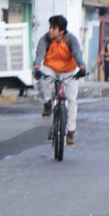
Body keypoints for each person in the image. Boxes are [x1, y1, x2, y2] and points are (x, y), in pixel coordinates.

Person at [33, 15, 87, 147]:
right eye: (50, 27)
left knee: (72, 100)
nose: (50, 30)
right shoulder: (45, 39)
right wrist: (36, 68)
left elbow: (77, 54)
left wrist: (82, 67)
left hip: (68, 70)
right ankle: (47, 103)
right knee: (43, 79)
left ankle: (71, 132)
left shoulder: (71, 39)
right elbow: (39, 54)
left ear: (61, 31)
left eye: (53, 28)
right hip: (51, 68)